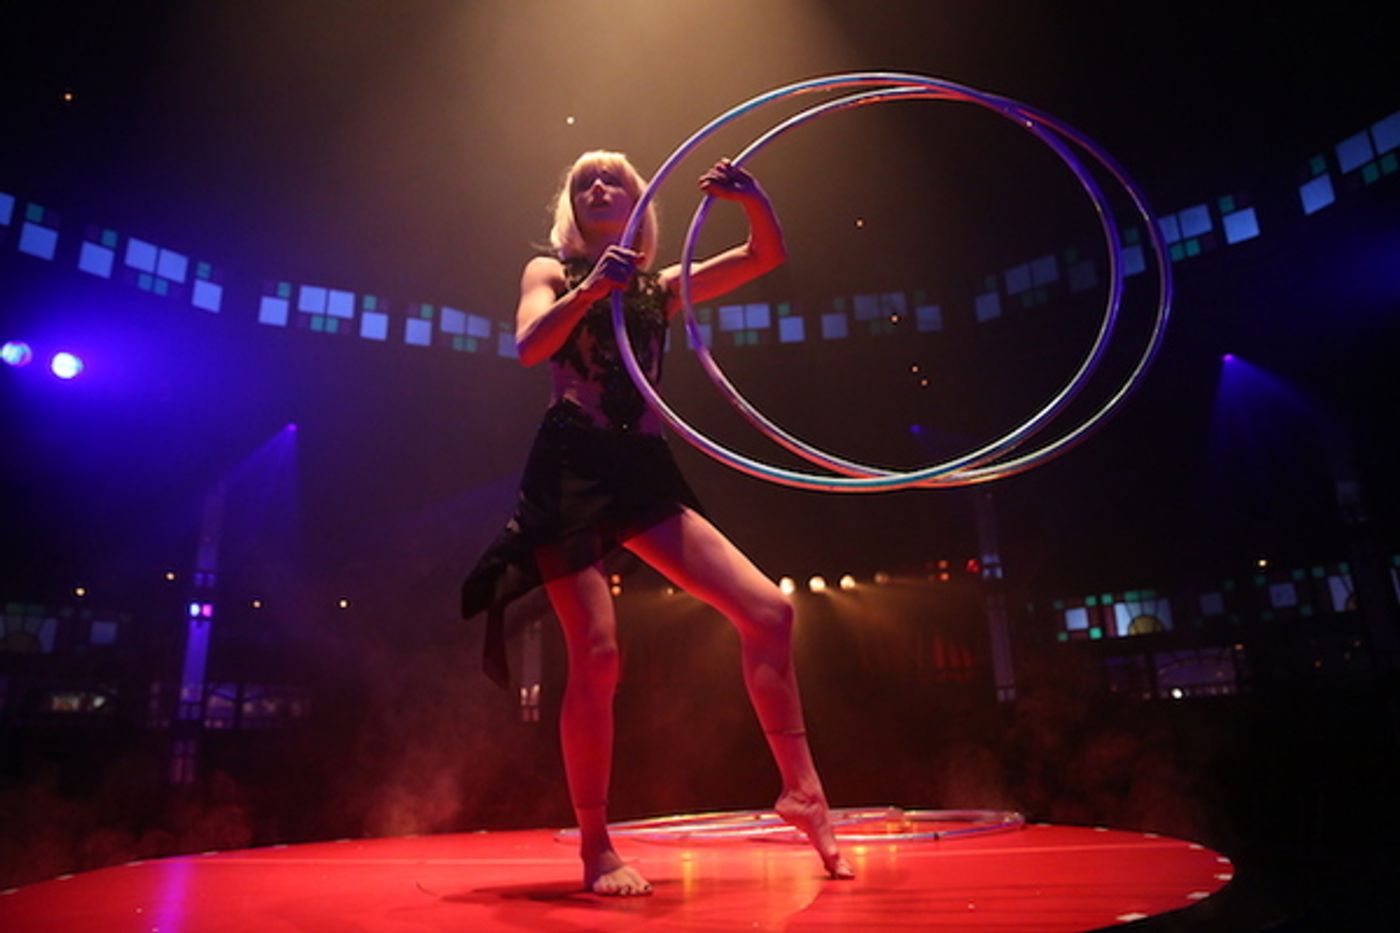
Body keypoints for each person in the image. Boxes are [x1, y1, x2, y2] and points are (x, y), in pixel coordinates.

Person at [463, 150, 853, 896]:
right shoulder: (549, 272)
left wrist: (752, 198)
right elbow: (528, 346)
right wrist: (589, 292)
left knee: (770, 610)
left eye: (616, 178)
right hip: (570, 468)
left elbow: (764, 256)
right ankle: (596, 847)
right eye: (586, 181)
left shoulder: (659, 288)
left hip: (640, 470)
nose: (601, 186)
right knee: (600, 654)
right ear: (571, 209)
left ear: (643, 203)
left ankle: (803, 791)